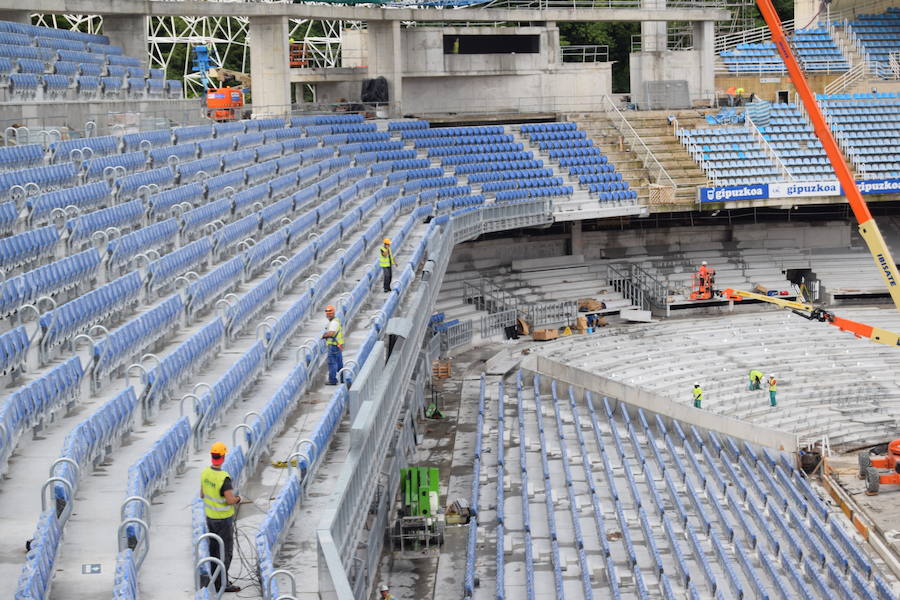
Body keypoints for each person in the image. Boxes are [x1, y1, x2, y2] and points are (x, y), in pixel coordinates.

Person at [200, 442, 243, 593]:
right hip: (223, 521)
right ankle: (222, 583)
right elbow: (230, 500)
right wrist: (238, 499)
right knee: (226, 552)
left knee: (214, 551)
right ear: (223, 457)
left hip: (210, 519)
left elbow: (202, 494)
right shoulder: (224, 478)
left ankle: (217, 579)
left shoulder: (205, 473)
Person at [323, 304, 343, 385]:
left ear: (333, 313)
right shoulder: (335, 321)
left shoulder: (334, 323)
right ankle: (343, 378)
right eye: (327, 313)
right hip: (337, 345)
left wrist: (324, 336)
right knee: (339, 363)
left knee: (332, 363)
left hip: (334, 346)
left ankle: (332, 380)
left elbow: (331, 333)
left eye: (330, 313)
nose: (328, 315)